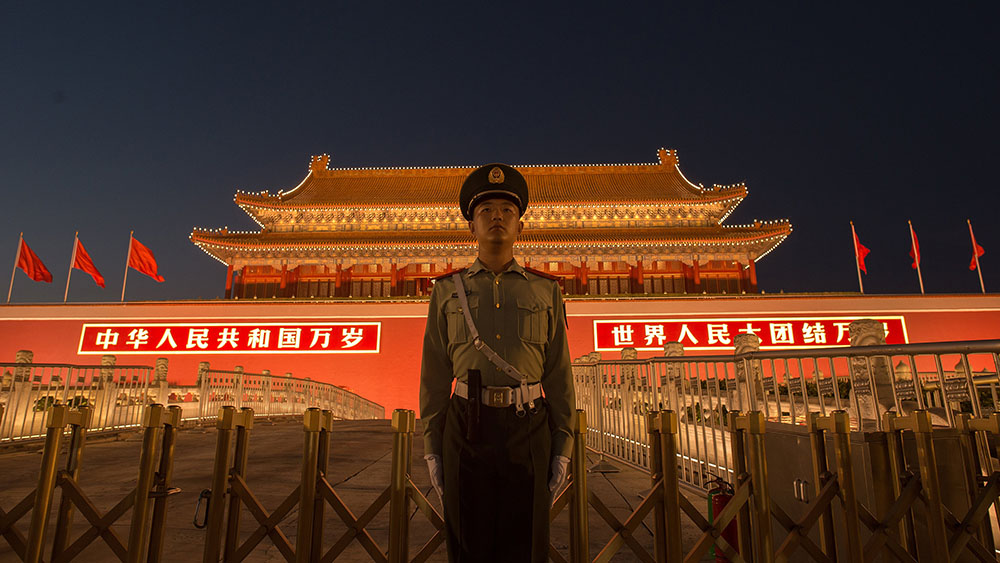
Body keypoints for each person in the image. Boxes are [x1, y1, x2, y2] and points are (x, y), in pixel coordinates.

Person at [419, 163, 576, 563]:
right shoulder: (446, 291)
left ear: (520, 226)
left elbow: (558, 375)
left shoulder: (546, 291)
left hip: (529, 425)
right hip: (464, 423)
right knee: (467, 542)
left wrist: (563, 444)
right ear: (471, 226)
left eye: (507, 210)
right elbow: (435, 375)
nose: (497, 217)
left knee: (526, 543)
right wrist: (432, 446)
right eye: (485, 210)